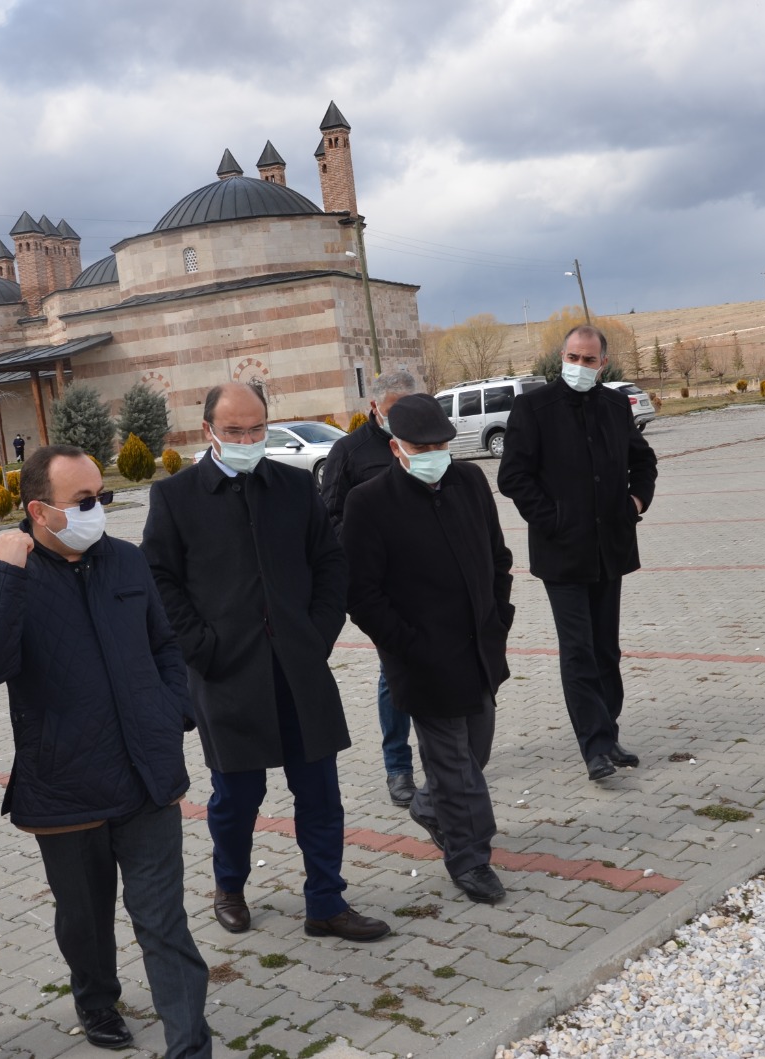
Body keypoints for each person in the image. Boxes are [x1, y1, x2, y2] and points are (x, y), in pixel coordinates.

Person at [0, 444, 212, 1055]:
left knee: (164, 923)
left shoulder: (127, 562)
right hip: (66, 786)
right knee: (85, 918)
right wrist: (5, 577)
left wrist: (169, 710)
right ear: (39, 511)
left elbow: (165, 645)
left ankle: (189, 1045)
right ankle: (97, 1002)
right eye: (84, 501)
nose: (99, 509)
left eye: (103, 496)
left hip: (146, 773)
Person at [142, 382, 390, 942]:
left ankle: (325, 901)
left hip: (298, 667)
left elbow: (330, 561)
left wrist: (317, 633)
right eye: (235, 431)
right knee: (237, 797)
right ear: (207, 431)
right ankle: (229, 885)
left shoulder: (295, 485)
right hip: (226, 673)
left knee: (321, 793)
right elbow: (159, 582)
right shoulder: (176, 497)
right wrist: (202, 648)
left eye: (257, 428)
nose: (249, 439)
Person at [343, 394, 514, 903]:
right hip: (422, 661)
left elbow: (498, 556)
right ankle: (470, 857)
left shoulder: (469, 482)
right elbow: (362, 595)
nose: (434, 453)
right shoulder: (369, 502)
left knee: (474, 754)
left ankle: (429, 808)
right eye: (422, 446)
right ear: (397, 447)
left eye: (441, 444)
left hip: (479, 651)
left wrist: (498, 618)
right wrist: (407, 646)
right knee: (456, 769)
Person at [497, 325, 658, 781]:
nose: (580, 367)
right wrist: (554, 519)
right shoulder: (533, 408)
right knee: (579, 650)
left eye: (589, 360)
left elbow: (642, 460)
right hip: (562, 555)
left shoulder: (613, 404)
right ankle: (594, 748)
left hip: (611, 549)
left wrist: (635, 502)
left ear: (602, 363)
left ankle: (608, 733)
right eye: (573, 358)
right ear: (560, 358)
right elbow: (513, 476)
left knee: (607, 649)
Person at [319, 368, 422, 807]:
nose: (404, 418)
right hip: (380, 586)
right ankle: (398, 766)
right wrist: (369, 540)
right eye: (395, 410)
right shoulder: (349, 452)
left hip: (429, 576)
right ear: (374, 407)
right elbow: (328, 518)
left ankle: (451, 753)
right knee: (394, 671)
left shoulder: (426, 441)